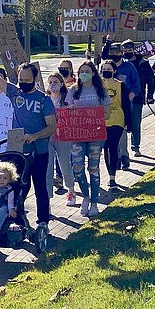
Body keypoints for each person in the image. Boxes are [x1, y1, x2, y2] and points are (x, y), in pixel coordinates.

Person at [0, 53, 56, 233]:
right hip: (18, 151)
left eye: (27, 80)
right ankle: (17, 220)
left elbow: (51, 127)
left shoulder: (44, 100)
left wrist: (35, 135)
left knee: (40, 185)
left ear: (35, 78)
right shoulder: (14, 92)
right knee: (18, 187)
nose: (23, 83)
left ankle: (43, 221)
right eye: (21, 79)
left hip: (39, 151)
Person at [65, 61, 111, 217]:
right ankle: (85, 196)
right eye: (80, 71)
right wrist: (71, 110)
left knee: (93, 168)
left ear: (93, 73)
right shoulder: (73, 90)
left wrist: (94, 113)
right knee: (77, 167)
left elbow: (107, 114)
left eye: (86, 71)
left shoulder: (101, 91)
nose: (83, 74)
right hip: (77, 135)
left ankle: (94, 202)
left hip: (96, 135)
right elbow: (66, 113)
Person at [45, 72, 77, 206]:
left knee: (65, 165)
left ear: (61, 84)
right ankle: (47, 200)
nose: (53, 85)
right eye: (50, 82)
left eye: (55, 82)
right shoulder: (45, 99)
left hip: (63, 137)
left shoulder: (67, 99)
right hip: (47, 137)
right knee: (47, 168)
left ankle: (71, 191)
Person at [108, 43, 140, 171]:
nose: (115, 56)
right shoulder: (107, 67)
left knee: (122, 132)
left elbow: (136, 85)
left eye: (117, 53)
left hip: (124, 106)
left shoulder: (129, 67)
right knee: (111, 134)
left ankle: (124, 157)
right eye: (112, 53)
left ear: (121, 53)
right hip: (109, 107)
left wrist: (129, 96)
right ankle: (115, 158)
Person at [100, 61, 131, 191]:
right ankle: (108, 173)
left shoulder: (120, 85)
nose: (106, 71)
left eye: (109, 69)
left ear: (114, 71)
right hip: (101, 121)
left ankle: (112, 177)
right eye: (104, 69)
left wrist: (129, 124)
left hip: (117, 119)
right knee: (105, 148)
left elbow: (126, 105)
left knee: (112, 146)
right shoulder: (98, 85)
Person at [123, 39, 152, 157]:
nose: (127, 52)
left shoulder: (143, 63)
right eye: (124, 51)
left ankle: (136, 146)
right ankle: (122, 150)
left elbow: (150, 79)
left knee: (135, 123)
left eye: (129, 50)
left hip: (138, 97)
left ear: (133, 50)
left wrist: (150, 95)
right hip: (121, 98)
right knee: (122, 124)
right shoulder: (120, 63)